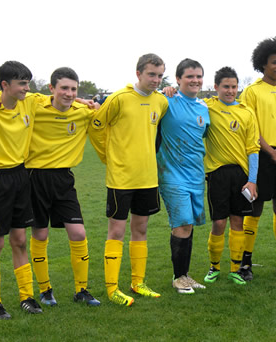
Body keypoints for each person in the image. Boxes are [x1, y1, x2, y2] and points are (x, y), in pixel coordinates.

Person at [88, 53, 168, 305]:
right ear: (138, 74)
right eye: (151, 75)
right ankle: (112, 289)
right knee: (117, 231)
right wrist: (108, 158)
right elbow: (96, 126)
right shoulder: (119, 98)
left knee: (141, 229)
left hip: (147, 177)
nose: (155, 80)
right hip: (120, 178)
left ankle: (138, 282)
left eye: (159, 75)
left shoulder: (161, 102)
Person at [0, 61, 44, 319]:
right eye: (21, 83)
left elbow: (58, 98)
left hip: (20, 176)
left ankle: (26, 297)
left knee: (20, 240)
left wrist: (88, 103)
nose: (27, 88)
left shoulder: (30, 102)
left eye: (27, 82)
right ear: (5, 85)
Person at [26, 67, 100, 306]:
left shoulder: (83, 111)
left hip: (64, 179)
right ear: (51, 89)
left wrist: (92, 105)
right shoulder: (33, 104)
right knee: (41, 233)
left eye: (73, 89)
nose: (69, 94)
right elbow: (9, 93)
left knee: (78, 233)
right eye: (64, 88)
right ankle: (45, 290)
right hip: (34, 178)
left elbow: (107, 113)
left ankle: (82, 290)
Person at [239, 37, 276, 280]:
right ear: (263, 64)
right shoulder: (252, 92)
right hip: (262, 155)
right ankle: (245, 262)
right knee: (255, 207)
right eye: (274, 62)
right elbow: (250, 128)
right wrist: (271, 153)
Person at [156, 59, 209, 294]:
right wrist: (162, 91)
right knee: (182, 222)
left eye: (198, 76)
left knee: (189, 225)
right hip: (171, 173)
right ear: (178, 79)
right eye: (189, 76)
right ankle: (178, 278)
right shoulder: (166, 100)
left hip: (196, 174)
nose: (195, 80)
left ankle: (185, 275)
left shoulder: (204, 108)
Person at [203, 67, 260, 286]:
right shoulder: (207, 107)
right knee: (218, 223)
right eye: (225, 87)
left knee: (238, 221)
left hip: (240, 175)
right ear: (216, 87)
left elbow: (252, 149)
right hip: (217, 174)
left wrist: (252, 180)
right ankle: (214, 266)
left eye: (234, 87)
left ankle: (236, 268)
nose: (230, 91)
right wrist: (170, 91)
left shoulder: (246, 112)